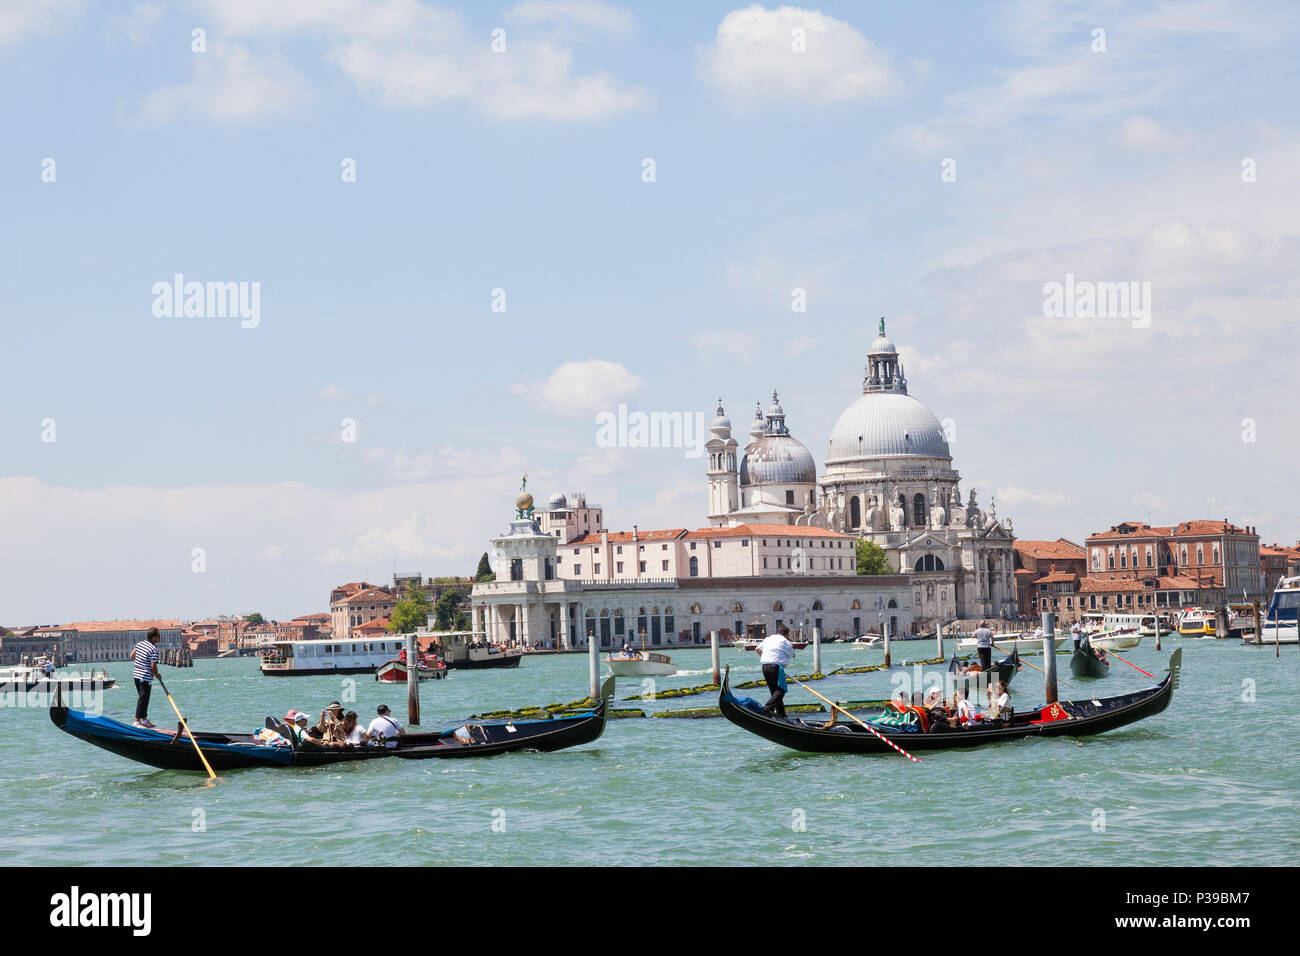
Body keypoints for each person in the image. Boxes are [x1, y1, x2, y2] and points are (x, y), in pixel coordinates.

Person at [756, 625, 795, 718]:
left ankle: (781, 714)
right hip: (775, 667)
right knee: (781, 690)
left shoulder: (769, 638)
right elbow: (793, 655)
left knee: (774, 692)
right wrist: (789, 641)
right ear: (787, 634)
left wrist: (767, 658)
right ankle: (767, 708)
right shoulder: (785, 641)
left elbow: (757, 649)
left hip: (765, 666)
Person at [129, 626, 161, 729]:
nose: (159, 639)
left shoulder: (140, 644)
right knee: (143, 700)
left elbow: (132, 656)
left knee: (143, 699)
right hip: (145, 678)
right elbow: (153, 666)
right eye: (158, 636)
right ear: (154, 637)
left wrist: (141, 662)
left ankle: (145, 720)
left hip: (136, 675)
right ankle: (137, 721)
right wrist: (157, 675)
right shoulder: (154, 649)